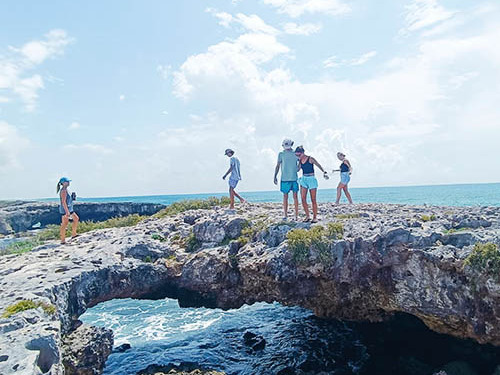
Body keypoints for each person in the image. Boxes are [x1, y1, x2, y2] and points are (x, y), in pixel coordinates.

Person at [295, 146, 328, 223]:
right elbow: (298, 169)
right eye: (296, 155)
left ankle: (315, 217)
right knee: (303, 199)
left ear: (303, 153)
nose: (298, 156)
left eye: (299, 155)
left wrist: (324, 172)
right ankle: (307, 216)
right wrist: (296, 163)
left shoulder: (310, 158)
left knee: (313, 199)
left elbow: (318, 165)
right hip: (304, 179)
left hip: (311, 179)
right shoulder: (299, 160)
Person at [274, 139, 299, 220]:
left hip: (294, 178)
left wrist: (298, 168)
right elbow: (278, 165)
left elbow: (301, 161)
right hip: (284, 178)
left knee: (295, 197)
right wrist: (275, 176)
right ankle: (285, 214)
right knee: (285, 197)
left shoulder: (296, 153)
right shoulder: (281, 154)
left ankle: (296, 215)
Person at [57, 177, 79, 244]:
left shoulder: (66, 190)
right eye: (67, 181)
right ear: (63, 183)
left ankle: (74, 234)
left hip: (69, 208)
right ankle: (63, 240)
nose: (69, 183)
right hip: (65, 209)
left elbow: (67, 200)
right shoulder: (63, 190)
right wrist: (67, 212)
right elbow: (63, 202)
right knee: (64, 224)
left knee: (76, 219)